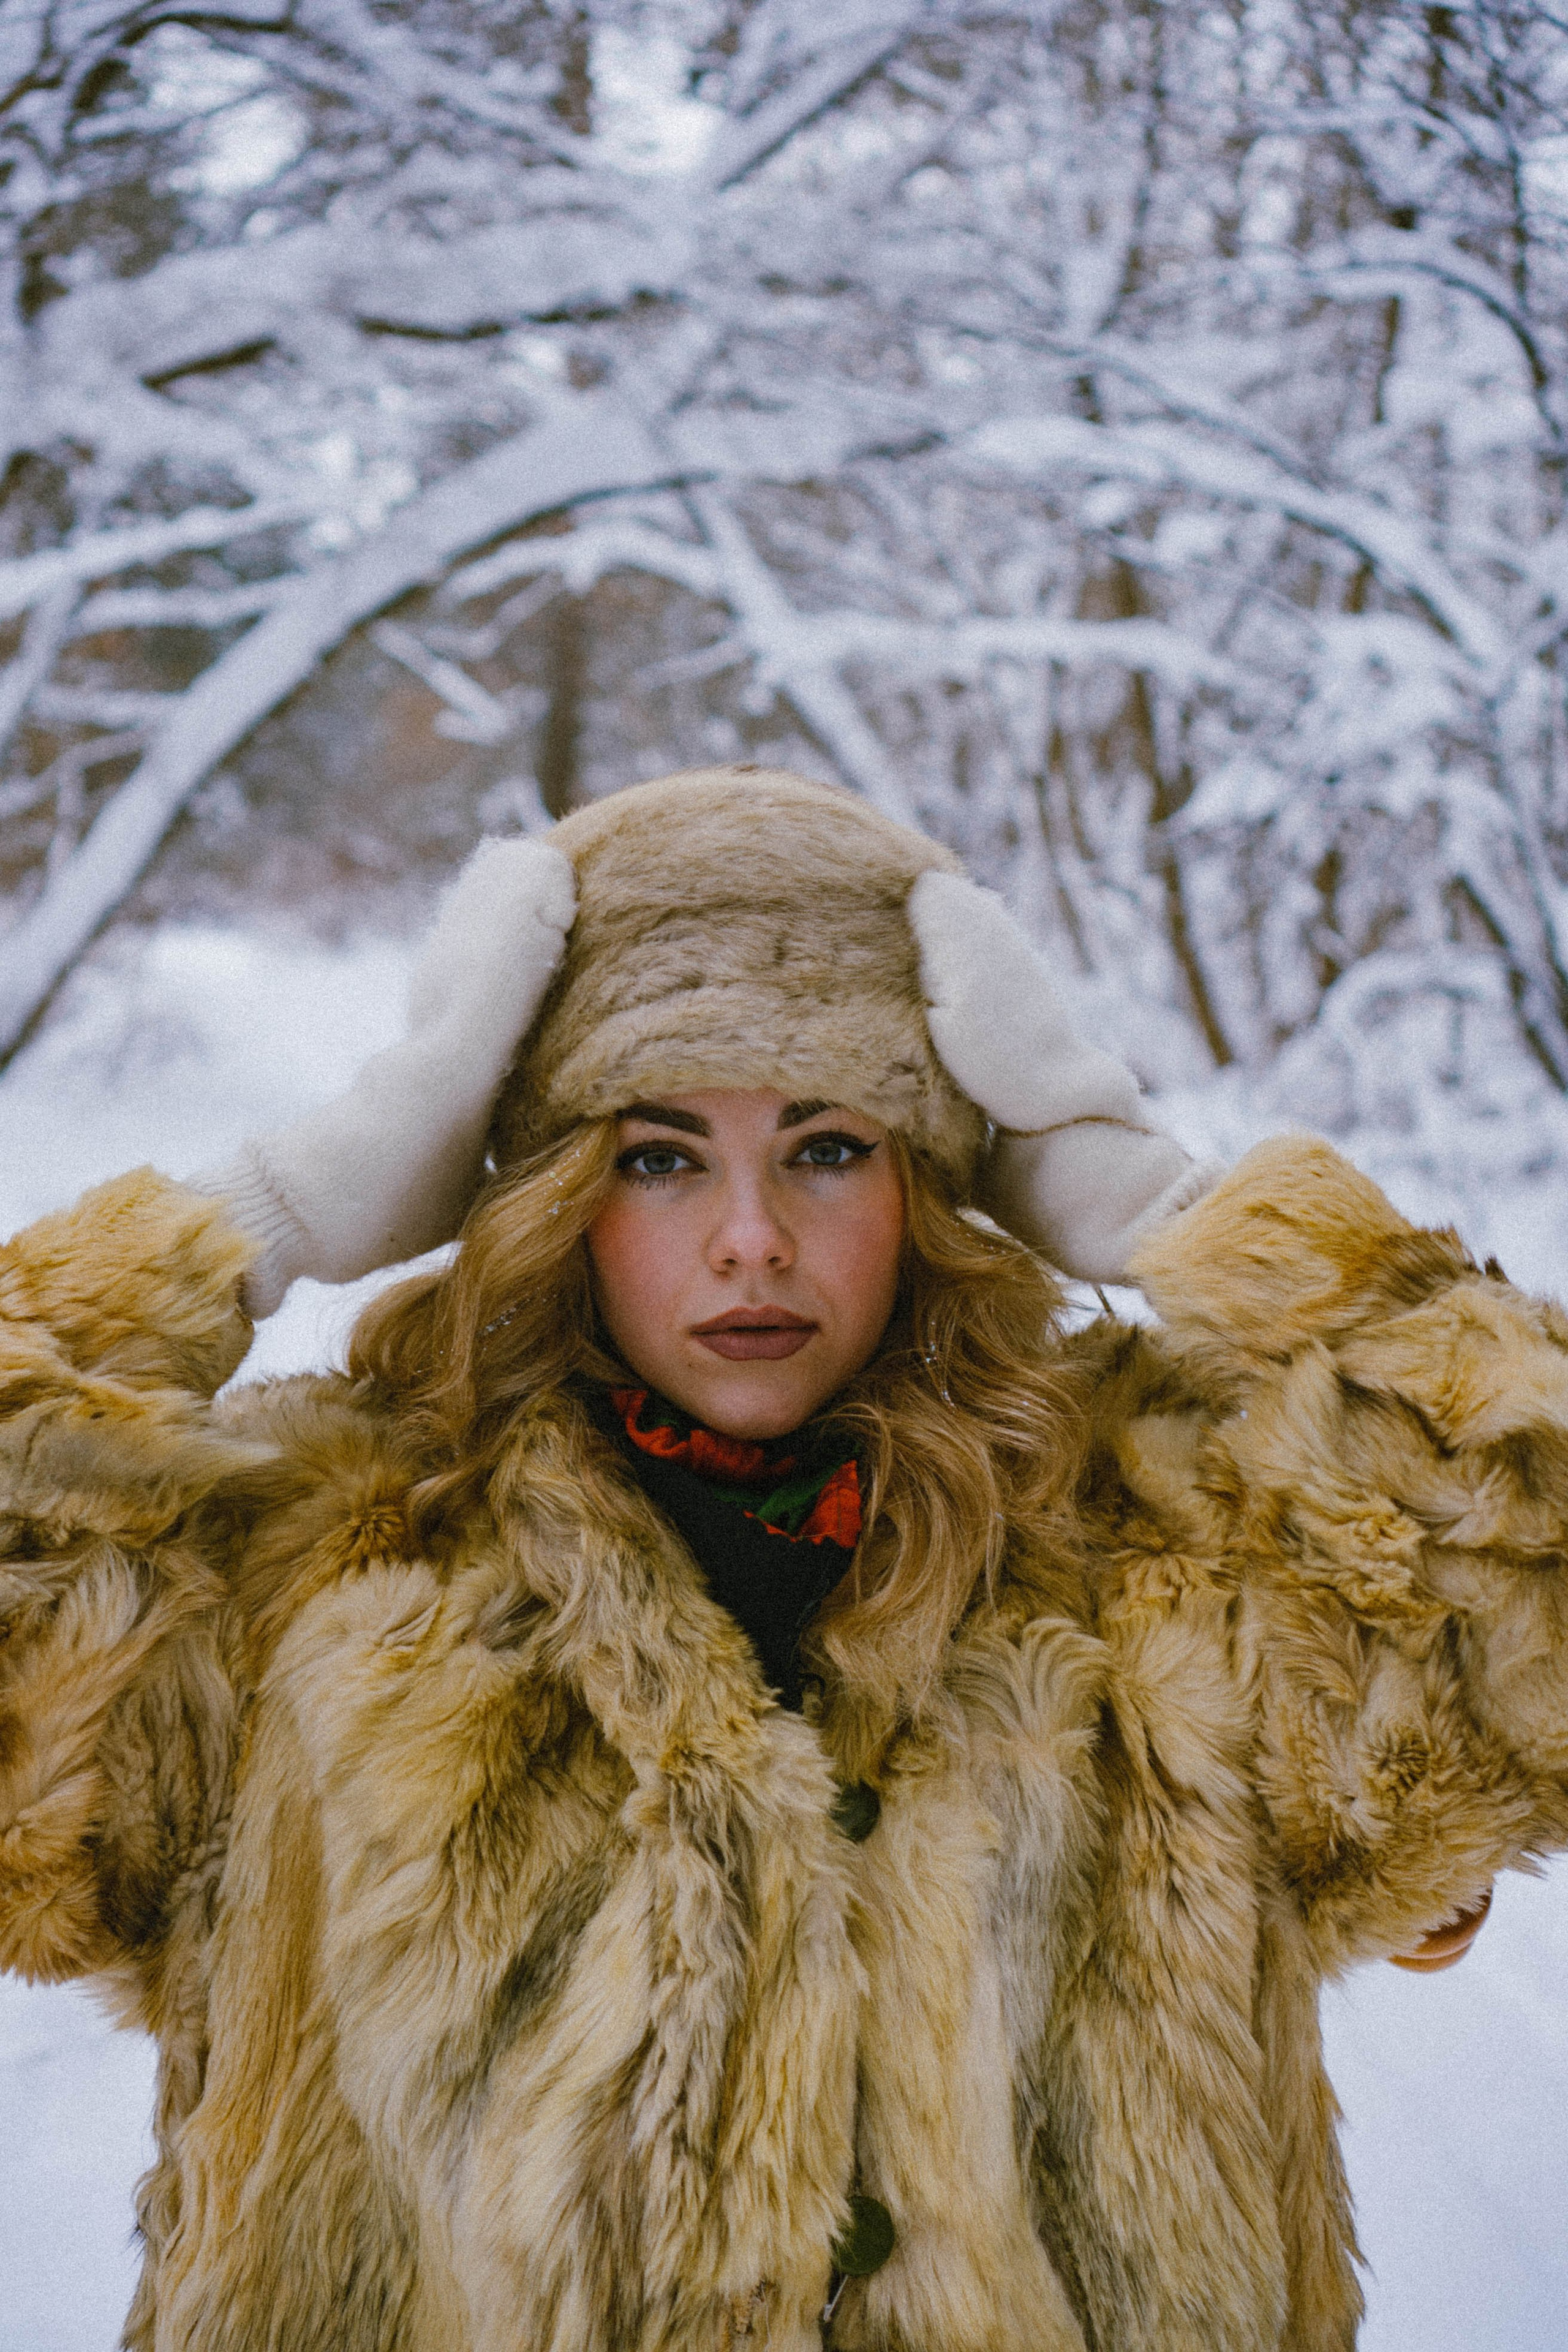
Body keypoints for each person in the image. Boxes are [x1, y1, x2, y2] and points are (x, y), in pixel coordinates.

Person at [0, 765, 1557, 2352]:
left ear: (934, 1181)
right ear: (549, 1191)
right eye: (658, 1156)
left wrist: (1169, 1207)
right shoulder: (312, 1572)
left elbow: (1533, 1594)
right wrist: (266, 1211)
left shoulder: (1160, 1555)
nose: (751, 1237)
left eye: (826, 1147)